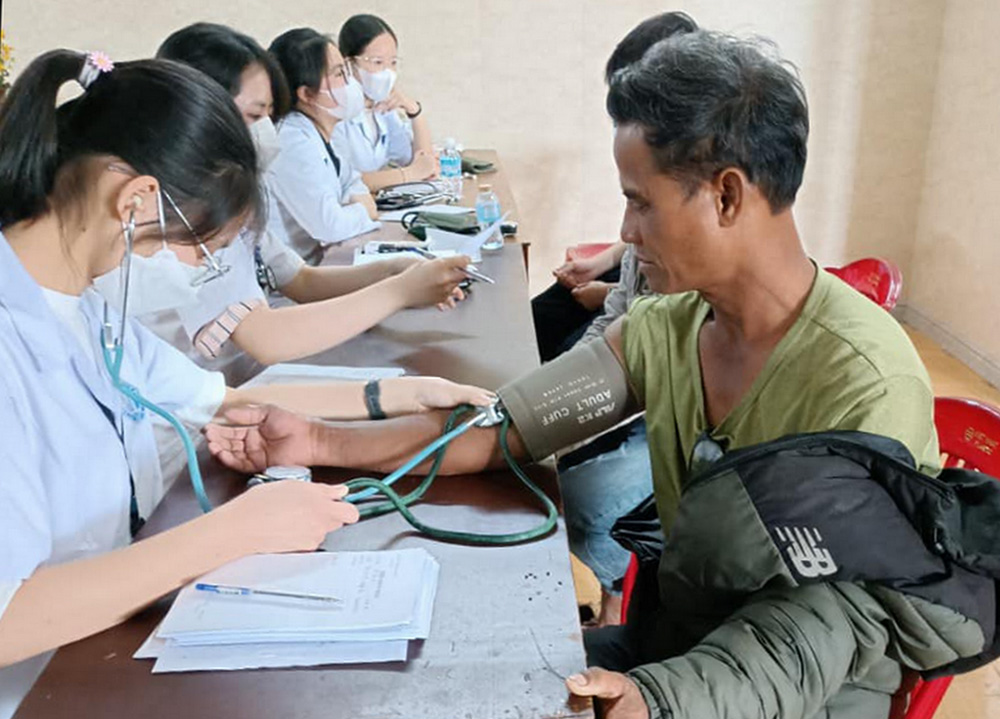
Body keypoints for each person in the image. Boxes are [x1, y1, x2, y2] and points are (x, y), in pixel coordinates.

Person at [205, 30, 983, 719]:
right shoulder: (669, 327)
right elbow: (506, 427)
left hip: (793, 692)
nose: (624, 231)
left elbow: (826, 624)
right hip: (675, 653)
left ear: (727, 195)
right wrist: (314, 438)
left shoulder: (862, 378)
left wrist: (664, 695)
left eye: (640, 204)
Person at [0, 49, 491, 717]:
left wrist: (399, 393)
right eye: (173, 246)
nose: (165, 264)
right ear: (136, 199)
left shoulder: (86, 308)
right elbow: (7, 618)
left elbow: (227, 400)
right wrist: (236, 532)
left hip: (95, 657)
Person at [88, 22, 468, 387]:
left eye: (268, 116)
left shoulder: (234, 194)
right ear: (199, 109)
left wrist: (394, 271)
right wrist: (398, 291)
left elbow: (298, 279)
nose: (265, 131)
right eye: (255, 115)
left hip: (247, 385)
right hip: (214, 404)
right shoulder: (176, 211)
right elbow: (266, 338)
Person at [554, 11, 696, 628]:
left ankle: (616, 601)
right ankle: (612, 604)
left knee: (585, 498)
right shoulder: (648, 242)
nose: (625, 229)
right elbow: (618, 327)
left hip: (673, 419)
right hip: (646, 396)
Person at [266, 28, 380, 259]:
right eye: (339, 75)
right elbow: (330, 227)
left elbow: (353, 183)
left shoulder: (325, 130)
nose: (350, 83)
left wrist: (357, 205)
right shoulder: (290, 141)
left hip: (325, 260)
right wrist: (365, 209)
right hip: (294, 280)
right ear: (306, 94)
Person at [335, 14, 437, 191]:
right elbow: (343, 181)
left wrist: (414, 111)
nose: (387, 72)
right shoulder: (335, 111)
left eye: (393, 62)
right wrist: (409, 174)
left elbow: (421, 161)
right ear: (349, 63)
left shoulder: (381, 106)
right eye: (378, 62)